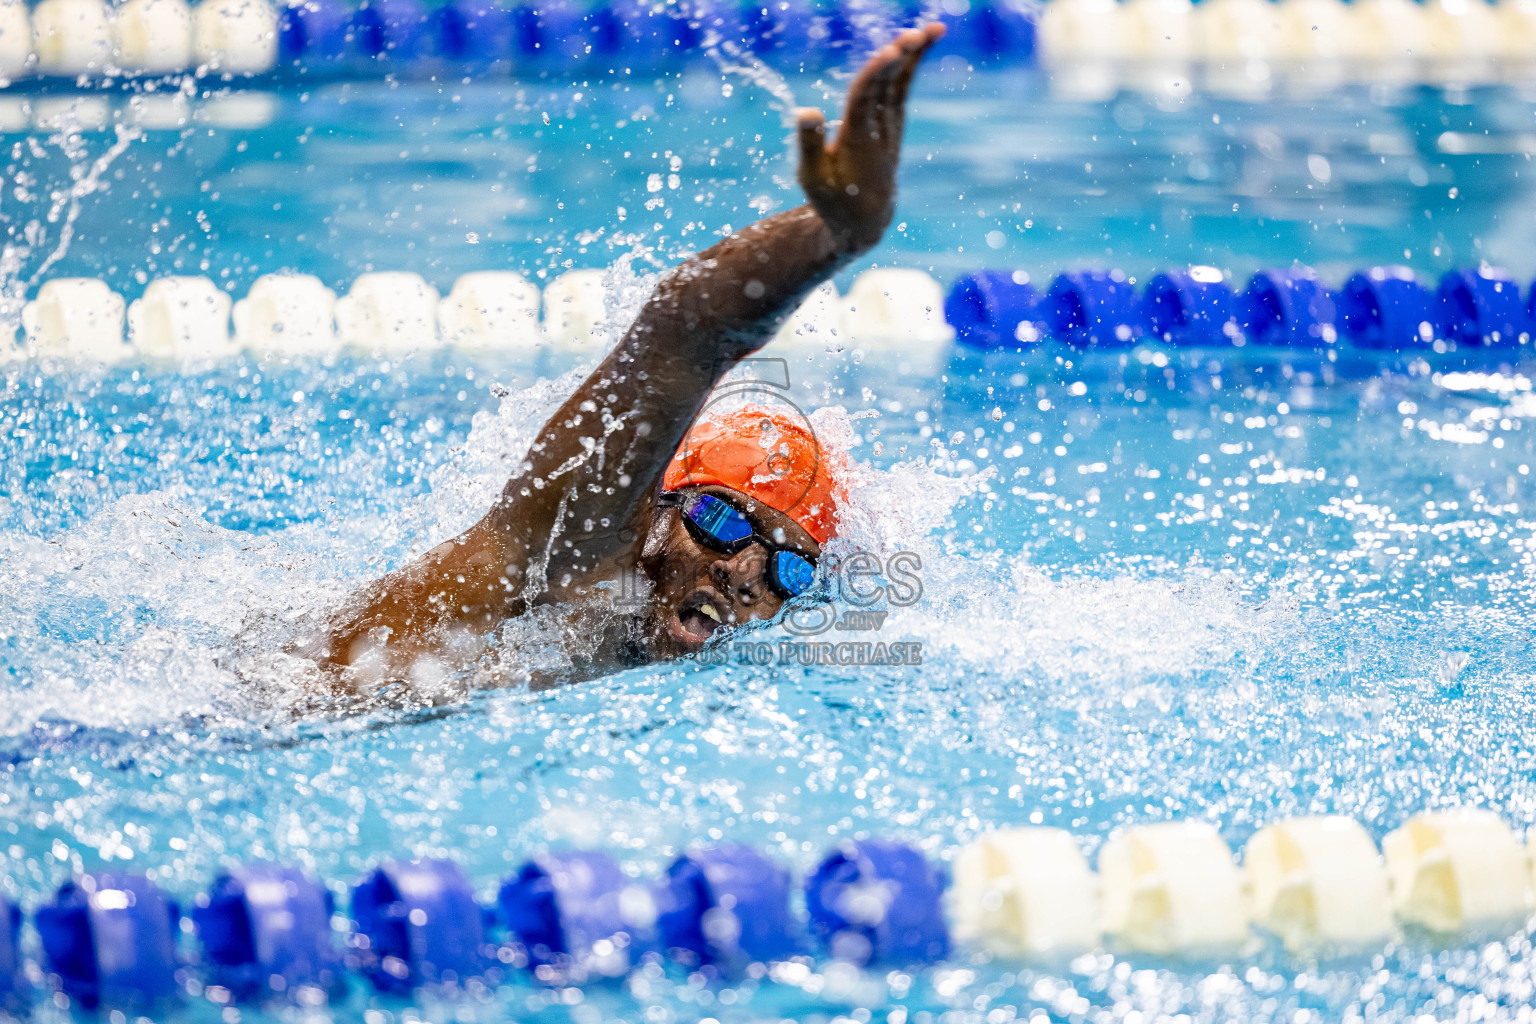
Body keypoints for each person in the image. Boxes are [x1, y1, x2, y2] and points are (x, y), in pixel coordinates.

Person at [305, 23, 945, 696]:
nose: (745, 570)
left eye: (790, 570)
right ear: (660, 506)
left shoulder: (635, 648)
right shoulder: (579, 558)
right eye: (721, 523)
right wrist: (833, 238)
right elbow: (684, 333)